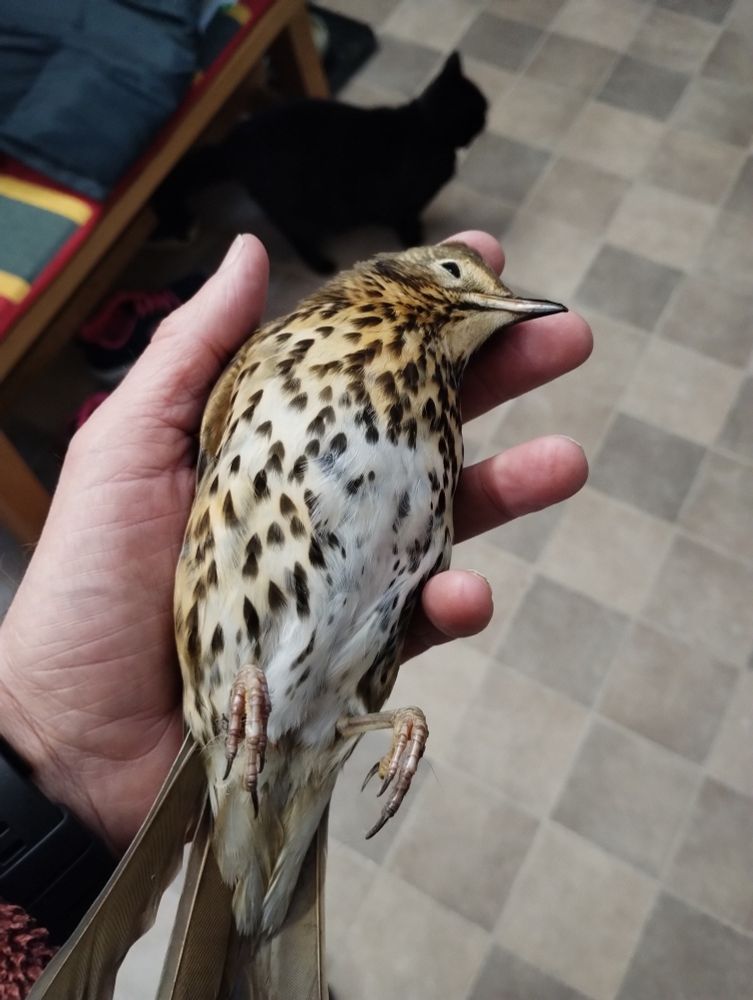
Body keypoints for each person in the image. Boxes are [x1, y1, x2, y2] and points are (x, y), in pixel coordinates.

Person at [0, 230, 592, 858]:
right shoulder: (283, 344)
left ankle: (349, 727)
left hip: (325, 702)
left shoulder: (439, 405)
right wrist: (51, 750)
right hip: (222, 684)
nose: (478, 297)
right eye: (452, 272)